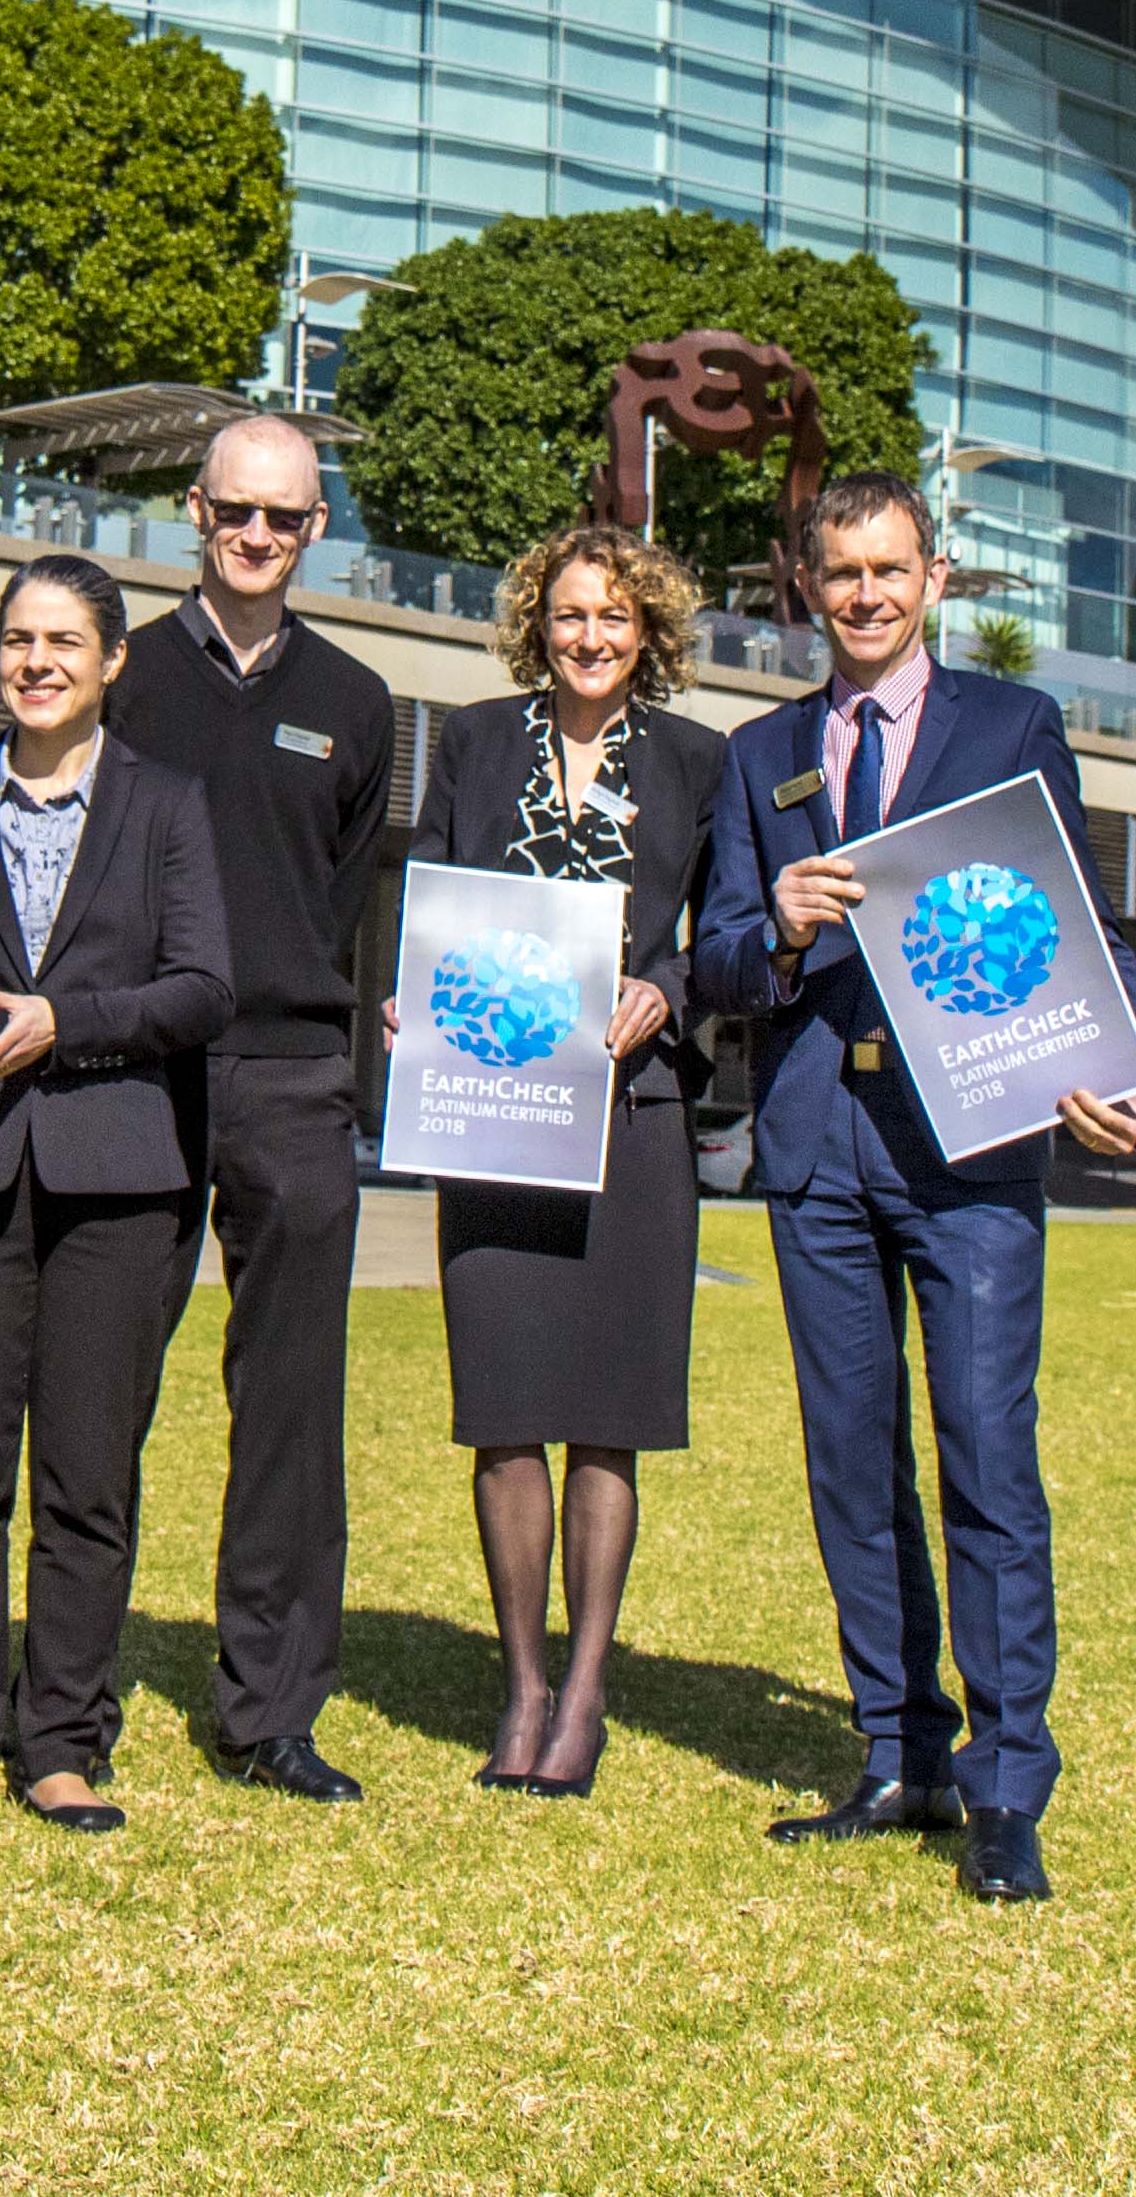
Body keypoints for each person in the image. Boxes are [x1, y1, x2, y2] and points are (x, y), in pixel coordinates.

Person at [696, 472, 1136, 1902]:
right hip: (818, 1148)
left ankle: (1010, 1788)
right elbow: (708, 959)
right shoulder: (758, 752)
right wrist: (770, 925)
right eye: (843, 574)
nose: (868, 596)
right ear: (807, 588)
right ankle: (900, 1751)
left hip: (977, 1150)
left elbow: (1074, 915)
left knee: (985, 1455)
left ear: (934, 579)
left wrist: (1122, 1070)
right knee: (851, 1461)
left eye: (892, 571)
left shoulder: (1013, 727)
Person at [0, 554, 234, 1835]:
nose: (36, 663)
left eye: (64, 643)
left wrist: (64, 1023)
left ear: (112, 661)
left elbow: (204, 988)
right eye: (18, 640)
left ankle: (64, 1741)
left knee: (90, 1475)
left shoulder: (168, 804)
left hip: (122, 1178)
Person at [409, 521, 726, 1802]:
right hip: (489, 1113)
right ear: (536, 625)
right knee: (505, 1419)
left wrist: (668, 986)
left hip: (636, 1119)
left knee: (608, 1424)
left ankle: (585, 1692)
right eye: (568, 614)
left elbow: (737, 934)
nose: (589, 636)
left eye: (614, 616)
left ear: (649, 632)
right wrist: (412, 1002)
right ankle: (522, 1682)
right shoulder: (476, 741)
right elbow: (429, 893)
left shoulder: (703, 764)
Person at [104, 412, 394, 1803]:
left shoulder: (358, 700)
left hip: (289, 1076)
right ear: (195, 513)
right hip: (133, 1071)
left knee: (288, 1407)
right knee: (102, 1388)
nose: (258, 539)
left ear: (316, 528)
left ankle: (272, 1707)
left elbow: (336, 900)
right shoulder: (121, 677)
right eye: (235, 515)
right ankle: (66, 1696)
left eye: (284, 520)